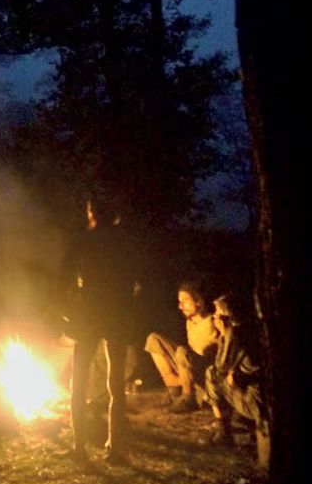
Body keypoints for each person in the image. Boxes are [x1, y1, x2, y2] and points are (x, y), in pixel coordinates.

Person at [64, 197, 138, 463]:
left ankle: (79, 448)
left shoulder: (84, 239)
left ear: (91, 211)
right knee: (116, 383)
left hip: (90, 312)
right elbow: (133, 278)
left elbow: (65, 275)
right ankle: (116, 448)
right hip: (116, 312)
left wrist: (68, 308)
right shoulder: (123, 240)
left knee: (79, 381)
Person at [204, 293, 270, 470]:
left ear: (226, 317)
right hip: (254, 395)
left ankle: (223, 429)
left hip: (256, 403)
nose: (214, 317)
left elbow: (221, 365)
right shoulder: (248, 330)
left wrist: (225, 333)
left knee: (212, 374)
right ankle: (228, 427)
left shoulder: (238, 335)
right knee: (218, 374)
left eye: (217, 313)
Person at [145, 283, 218, 412]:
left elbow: (209, 357)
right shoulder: (190, 322)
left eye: (185, 301)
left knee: (182, 351)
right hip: (190, 370)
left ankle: (188, 398)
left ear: (198, 301)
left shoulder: (213, 322)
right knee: (154, 339)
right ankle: (174, 390)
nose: (180, 306)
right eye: (180, 302)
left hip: (207, 374)